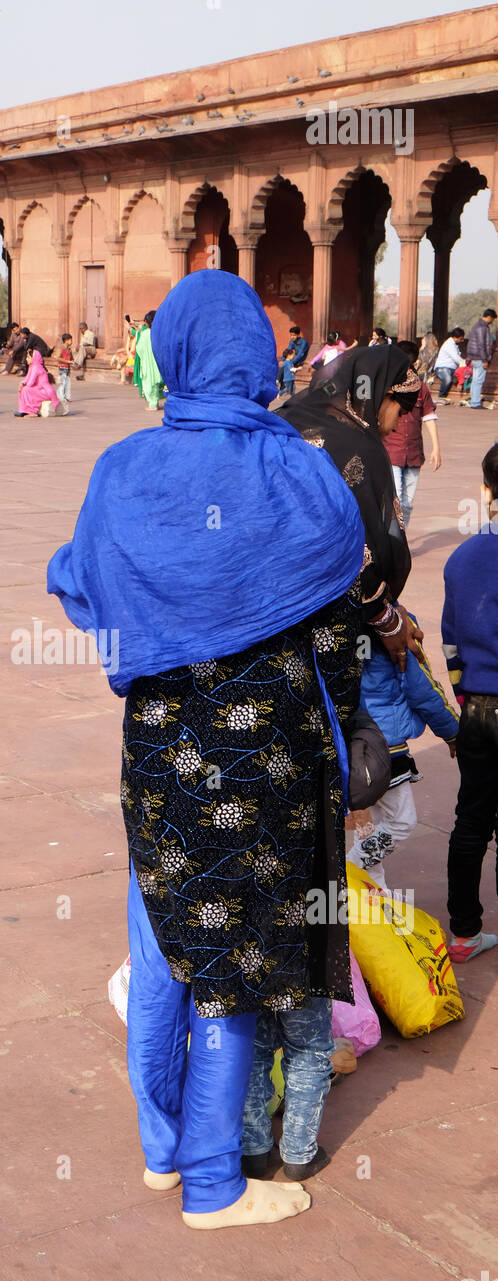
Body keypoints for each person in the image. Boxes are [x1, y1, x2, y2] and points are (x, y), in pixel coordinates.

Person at [48, 269, 369, 1230]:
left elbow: (82, 583)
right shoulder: (300, 473)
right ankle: (215, 1186)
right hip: (265, 768)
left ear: (175, 354)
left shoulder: (124, 470)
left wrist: (170, 613)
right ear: (259, 357)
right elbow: (337, 631)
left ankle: (161, 1152)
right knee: (230, 975)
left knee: (159, 948)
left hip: (156, 758)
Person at [279, 342, 423, 672]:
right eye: (399, 411)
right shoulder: (358, 446)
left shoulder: (283, 420)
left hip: (269, 606)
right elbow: (362, 552)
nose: (397, 424)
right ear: (382, 396)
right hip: (325, 614)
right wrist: (388, 619)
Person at [349, 613, 458, 890]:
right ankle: (348, 868)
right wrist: (452, 730)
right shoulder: (398, 625)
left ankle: (376, 902)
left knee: (367, 828)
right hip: (385, 747)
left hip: (350, 741)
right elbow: (422, 689)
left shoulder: (337, 621)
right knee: (402, 821)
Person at [442, 442, 498, 962]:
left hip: (479, 708)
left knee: (471, 822)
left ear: (487, 491)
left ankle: (463, 932)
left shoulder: (462, 558)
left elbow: (451, 644)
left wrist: (465, 701)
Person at [241, 995, 336, 1181]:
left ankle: (253, 1151)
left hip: (247, 970)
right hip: (299, 969)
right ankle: (299, 1155)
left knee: (252, 1046)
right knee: (307, 1048)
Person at [383, 339, 441, 528]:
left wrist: (436, 448)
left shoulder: (421, 389)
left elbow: (429, 416)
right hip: (391, 451)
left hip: (413, 453)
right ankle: (392, 539)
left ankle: (401, 538)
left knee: (407, 502)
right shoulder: (386, 388)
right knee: (397, 497)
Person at [461, 307, 496, 410]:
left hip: (474, 357)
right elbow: (482, 345)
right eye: (492, 319)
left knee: (475, 380)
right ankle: (475, 402)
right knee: (478, 380)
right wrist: (485, 359)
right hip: (479, 357)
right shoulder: (482, 327)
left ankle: (474, 401)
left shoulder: (477, 326)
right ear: (489, 317)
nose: (492, 322)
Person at [15, 349, 61, 417]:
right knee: (23, 389)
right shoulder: (32, 367)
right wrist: (22, 384)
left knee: (26, 390)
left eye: (28, 357)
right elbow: (27, 379)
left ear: (33, 358)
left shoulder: (36, 367)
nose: (26, 359)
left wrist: (24, 385)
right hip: (39, 389)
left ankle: (32, 411)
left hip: (45, 391)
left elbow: (31, 382)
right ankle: (24, 410)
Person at [135, 309, 165, 410]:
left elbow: (139, 348)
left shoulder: (146, 334)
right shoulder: (160, 333)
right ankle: (156, 402)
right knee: (158, 382)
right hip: (159, 362)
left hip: (149, 363)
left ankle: (153, 404)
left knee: (150, 383)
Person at [433, 328, 466, 401]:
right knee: (447, 379)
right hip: (442, 368)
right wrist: (465, 363)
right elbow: (456, 358)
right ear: (455, 337)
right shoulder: (449, 344)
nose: (462, 341)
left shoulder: (455, 345)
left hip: (452, 368)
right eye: (461, 339)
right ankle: (441, 396)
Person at [55, 333, 74, 414]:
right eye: (70, 340)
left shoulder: (68, 349)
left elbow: (71, 357)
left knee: (67, 382)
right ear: (66, 340)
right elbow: (57, 357)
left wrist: (72, 360)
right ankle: (61, 396)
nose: (71, 341)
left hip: (67, 367)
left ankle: (66, 396)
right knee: (62, 383)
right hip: (62, 367)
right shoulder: (61, 348)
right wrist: (67, 361)